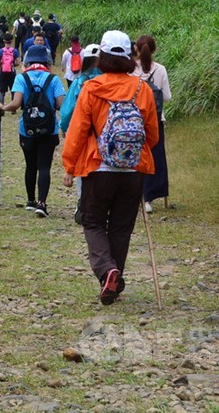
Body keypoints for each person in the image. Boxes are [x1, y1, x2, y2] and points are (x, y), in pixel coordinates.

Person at [61, 30, 159, 305]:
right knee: (121, 227)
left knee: (92, 221)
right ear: (129, 56)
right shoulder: (143, 89)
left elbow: (78, 131)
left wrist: (69, 166)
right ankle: (113, 283)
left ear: (102, 56)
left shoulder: (92, 88)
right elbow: (152, 135)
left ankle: (107, 271)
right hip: (134, 170)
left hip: (98, 168)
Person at [0, 44, 65, 218]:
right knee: (44, 167)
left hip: (27, 130)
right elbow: (61, 104)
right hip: (48, 130)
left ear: (28, 61)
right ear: (46, 61)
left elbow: (16, 103)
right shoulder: (54, 79)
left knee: (30, 165)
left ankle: (30, 200)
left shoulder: (21, 78)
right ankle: (42, 203)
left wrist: (3, 107)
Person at [59, 43, 101, 224]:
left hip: (83, 131)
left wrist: (63, 126)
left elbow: (68, 110)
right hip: (104, 133)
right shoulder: (111, 80)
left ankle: (82, 202)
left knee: (83, 167)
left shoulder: (79, 82)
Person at [132, 35, 172, 213]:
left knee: (135, 156)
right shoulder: (161, 69)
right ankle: (150, 197)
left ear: (136, 49)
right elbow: (167, 97)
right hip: (156, 120)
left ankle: (136, 195)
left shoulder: (130, 70)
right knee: (156, 157)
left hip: (134, 120)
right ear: (154, 50)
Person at [0, 33, 20, 105]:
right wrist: (12, 65)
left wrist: (2, 66)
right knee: (13, 90)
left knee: (2, 91)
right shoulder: (15, 51)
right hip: (12, 72)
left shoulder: (0, 51)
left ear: (4, 40)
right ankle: (13, 108)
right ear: (12, 41)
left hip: (3, 72)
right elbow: (18, 62)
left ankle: (1, 107)